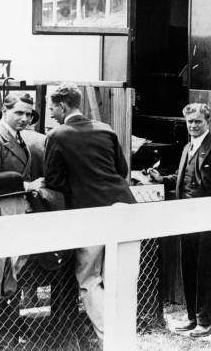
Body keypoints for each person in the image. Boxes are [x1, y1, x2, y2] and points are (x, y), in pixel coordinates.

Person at [44, 83, 136, 341]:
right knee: (120, 276)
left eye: (52, 108)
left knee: (89, 279)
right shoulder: (105, 130)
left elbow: (53, 182)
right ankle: (124, 333)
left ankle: (112, 338)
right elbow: (122, 171)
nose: (51, 114)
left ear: (63, 106)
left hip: (90, 215)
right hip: (125, 208)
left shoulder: (57, 135)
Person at [149, 103, 211, 338]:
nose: (193, 125)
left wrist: (207, 210)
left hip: (206, 221)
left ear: (207, 121)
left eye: (198, 121)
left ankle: (206, 321)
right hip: (186, 219)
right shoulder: (188, 147)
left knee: (205, 270)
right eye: (189, 122)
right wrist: (164, 178)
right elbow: (185, 177)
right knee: (189, 268)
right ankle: (192, 318)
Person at [0, 92, 43, 194]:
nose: (24, 119)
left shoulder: (16, 136)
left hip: (16, 204)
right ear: (4, 111)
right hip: (0, 206)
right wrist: (27, 186)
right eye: (19, 113)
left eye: (28, 114)